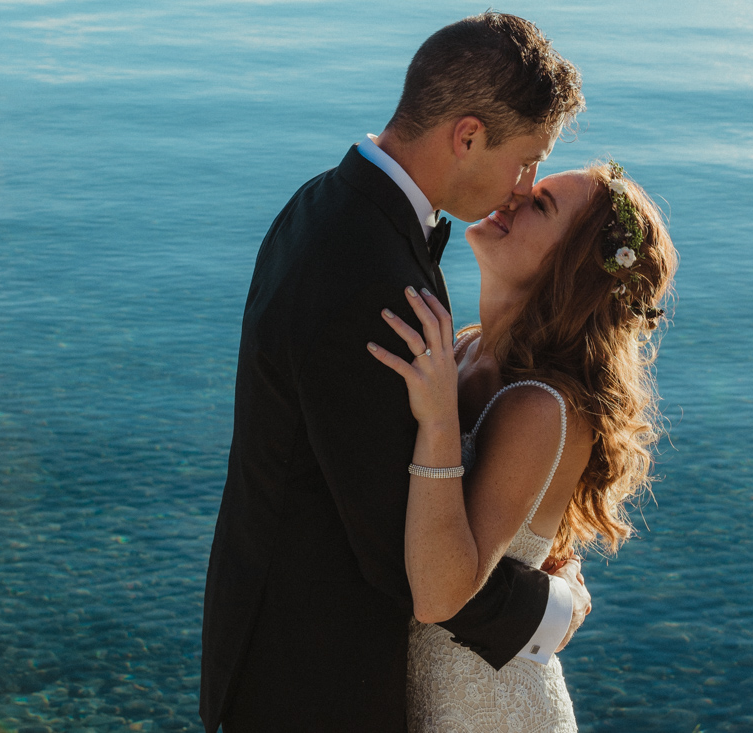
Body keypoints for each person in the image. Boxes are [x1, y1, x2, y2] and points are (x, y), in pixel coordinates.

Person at [200, 12, 588, 733]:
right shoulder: (372, 277)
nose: (521, 185)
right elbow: (401, 555)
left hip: (262, 639)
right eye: (524, 158)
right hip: (313, 679)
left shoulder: (322, 203)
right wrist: (549, 609)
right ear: (468, 136)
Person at [367, 161, 678, 731]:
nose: (511, 197)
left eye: (540, 205)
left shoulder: (540, 406)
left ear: (570, 269)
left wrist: (438, 422)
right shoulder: (464, 349)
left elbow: (439, 598)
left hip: (486, 711)